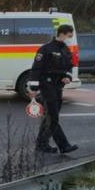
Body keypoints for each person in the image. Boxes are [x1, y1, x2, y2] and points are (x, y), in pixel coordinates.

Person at [29, 24, 78, 154]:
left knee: (50, 117)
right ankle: (64, 145)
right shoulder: (45, 49)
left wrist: (67, 76)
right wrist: (34, 87)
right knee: (53, 117)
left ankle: (41, 145)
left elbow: (69, 67)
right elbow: (36, 69)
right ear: (61, 34)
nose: (70, 38)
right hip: (47, 84)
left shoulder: (66, 50)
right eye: (69, 36)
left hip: (58, 86)